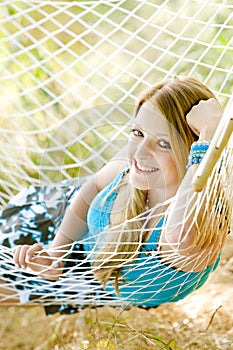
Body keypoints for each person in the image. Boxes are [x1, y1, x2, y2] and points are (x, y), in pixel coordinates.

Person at [0, 76, 230, 315]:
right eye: (138, 133)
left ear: (195, 150)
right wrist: (55, 253)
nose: (139, 153)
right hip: (52, 223)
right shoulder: (129, 172)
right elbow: (89, 190)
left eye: (164, 143)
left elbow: (180, 235)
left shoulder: (195, 225)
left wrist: (212, 137)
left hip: (85, 277)